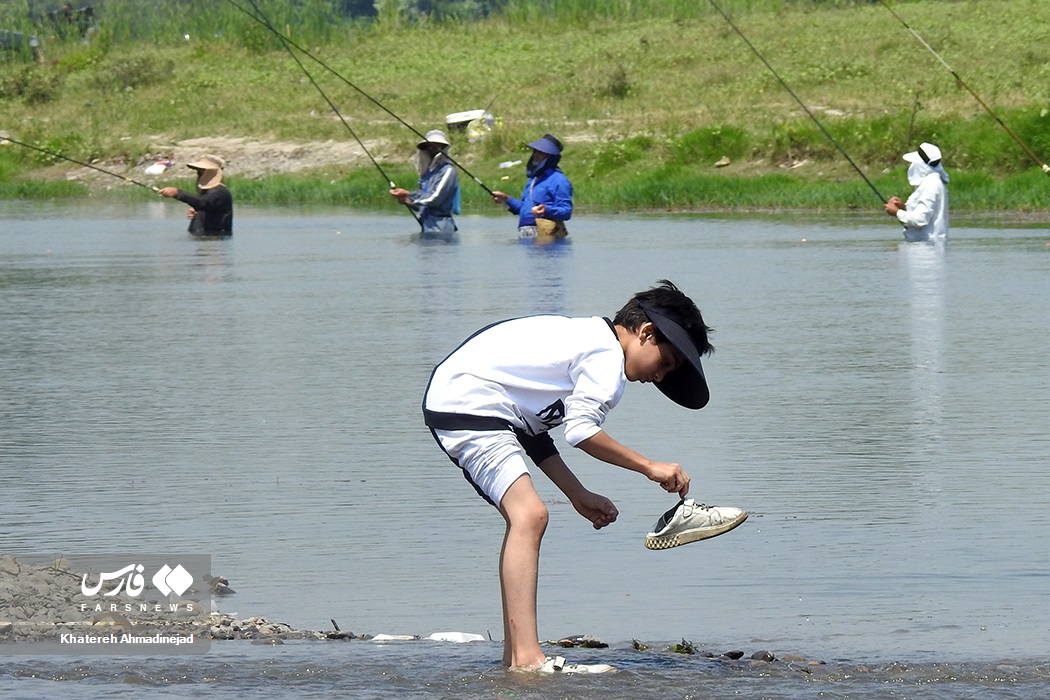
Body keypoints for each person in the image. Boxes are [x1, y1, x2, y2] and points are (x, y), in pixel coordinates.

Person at [423, 280, 715, 671]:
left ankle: (515, 656)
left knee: (526, 517)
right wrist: (650, 466)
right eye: (665, 364)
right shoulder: (605, 357)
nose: (660, 378)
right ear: (646, 332)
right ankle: (528, 659)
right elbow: (581, 432)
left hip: (463, 398)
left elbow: (532, 430)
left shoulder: (587, 341)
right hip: (467, 401)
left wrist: (577, 494)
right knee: (530, 516)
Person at [491, 134, 572, 240]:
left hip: (548, 239)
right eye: (535, 151)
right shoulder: (534, 179)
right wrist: (506, 199)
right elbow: (524, 209)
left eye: (541, 152)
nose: (535, 155)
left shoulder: (559, 180)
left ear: (550, 157)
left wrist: (546, 210)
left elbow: (566, 211)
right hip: (527, 237)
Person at [390, 129, 459, 236]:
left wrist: (408, 194)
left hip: (441, 229)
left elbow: (434, 198)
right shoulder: (427, 174)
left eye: (438, 145)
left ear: (444, 148)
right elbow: (424, 203)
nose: (433, 148)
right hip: (427, 228)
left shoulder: (447, 171)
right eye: (430, 145)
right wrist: (408, 201)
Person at [884, 142, 949, 242]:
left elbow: (920, 219)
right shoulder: (932, 181)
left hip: (926, 248)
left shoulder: (931, 185)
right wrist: (904, 208)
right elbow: (926, 213)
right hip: (926, 246)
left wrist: (897, 212)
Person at [158, 155, 233, 236]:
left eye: (201, 172)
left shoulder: (219, 192)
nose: (198, 176)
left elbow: (203, 202)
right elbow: (203, 204)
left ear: (210, 173)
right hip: (204, 240)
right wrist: (198, 212)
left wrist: (177, 193)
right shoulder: (210, 192)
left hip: (215, 240)